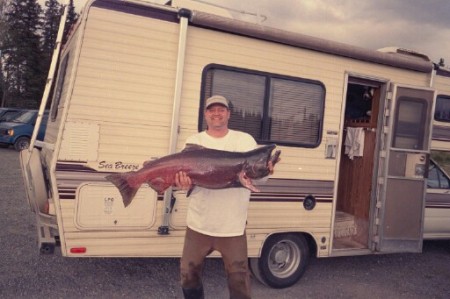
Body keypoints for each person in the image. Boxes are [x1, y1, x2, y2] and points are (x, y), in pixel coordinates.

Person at [175, 95, 276, 299]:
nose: (216, 113)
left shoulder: (244, 141)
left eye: (221, 109)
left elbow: (258, 179)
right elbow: (184, 180)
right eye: (212, 110)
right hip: (199, 224)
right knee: (188, 274)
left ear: (229, 114)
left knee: (239, 279)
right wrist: (181, 183)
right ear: (205, 114)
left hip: (232, 226)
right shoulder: (194, 141)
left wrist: (266, 171)